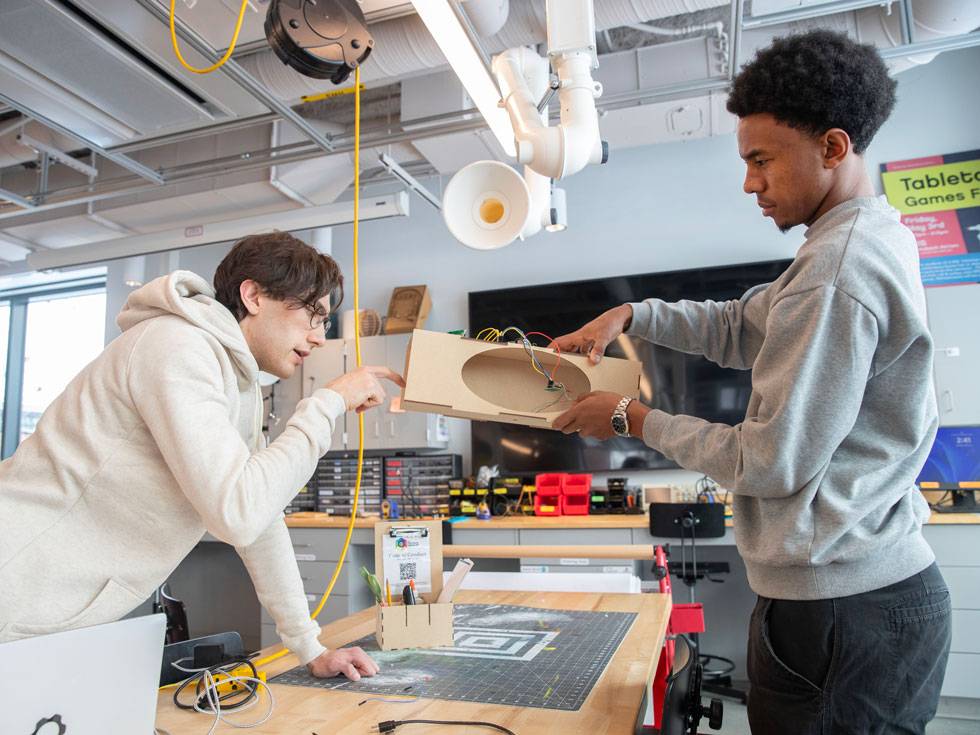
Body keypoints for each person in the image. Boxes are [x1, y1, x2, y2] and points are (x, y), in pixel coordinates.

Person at [551, 30, 951, 734]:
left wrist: (629, 418)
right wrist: (633, 314)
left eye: (761, 160)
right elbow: (740, 324)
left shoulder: (835, 272)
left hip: (842, 610)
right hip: (856, 596)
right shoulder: (852, 240)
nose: (749, 183)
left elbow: (770, 460)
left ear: (832, 147)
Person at [0, 232, 403, 681]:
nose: (318, 337)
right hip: (14, 581)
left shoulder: (235, 380)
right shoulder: (178, 346)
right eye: (312, 314)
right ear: (253, 296)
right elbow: (238, 513)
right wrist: (327, 404)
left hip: (47, 608)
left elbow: (260, 518)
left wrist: (309, 646)